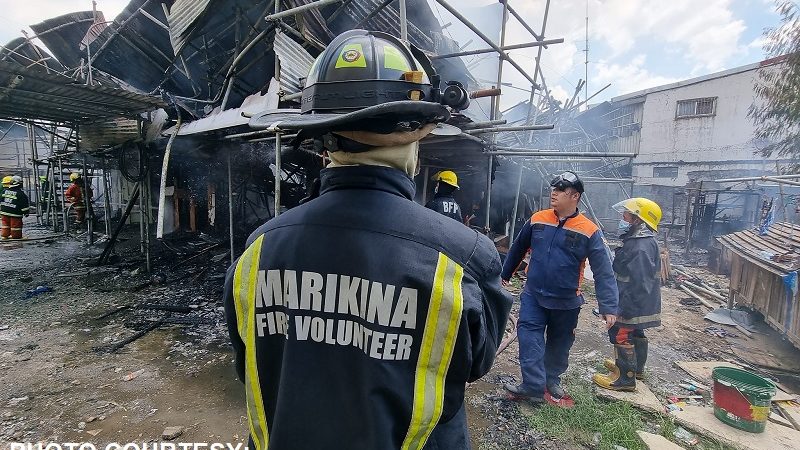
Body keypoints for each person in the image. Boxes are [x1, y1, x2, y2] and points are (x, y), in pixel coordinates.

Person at [223, 29, 511, 450]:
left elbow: (250, 359)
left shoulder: (258, 251)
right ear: (416, 135)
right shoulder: (461, 260)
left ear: (324, 136)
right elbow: (476, 364)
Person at [500, 171, 619, 407]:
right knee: (529, 337)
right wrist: (504, 275)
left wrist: (609, 306)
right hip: (534, 295)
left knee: (559, 343)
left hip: (566, 301)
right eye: (553, 188)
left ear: (575, 196)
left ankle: (551, 380)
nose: (553, 193)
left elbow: (603, 270)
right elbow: (518, 248)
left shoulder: (589, 230)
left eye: (560, 190)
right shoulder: (538, 219)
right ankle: (533, 385)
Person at [593, 198, 662, 391]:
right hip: (640, 302)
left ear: (638, 220)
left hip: (632, 302)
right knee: (636, 332)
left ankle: (625, 379)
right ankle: (636, 368)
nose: (623, 217)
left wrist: (623, 308)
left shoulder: (640, 246)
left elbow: (638, 283)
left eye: (627, 214)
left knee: (622, 334)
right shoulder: (641, 242)